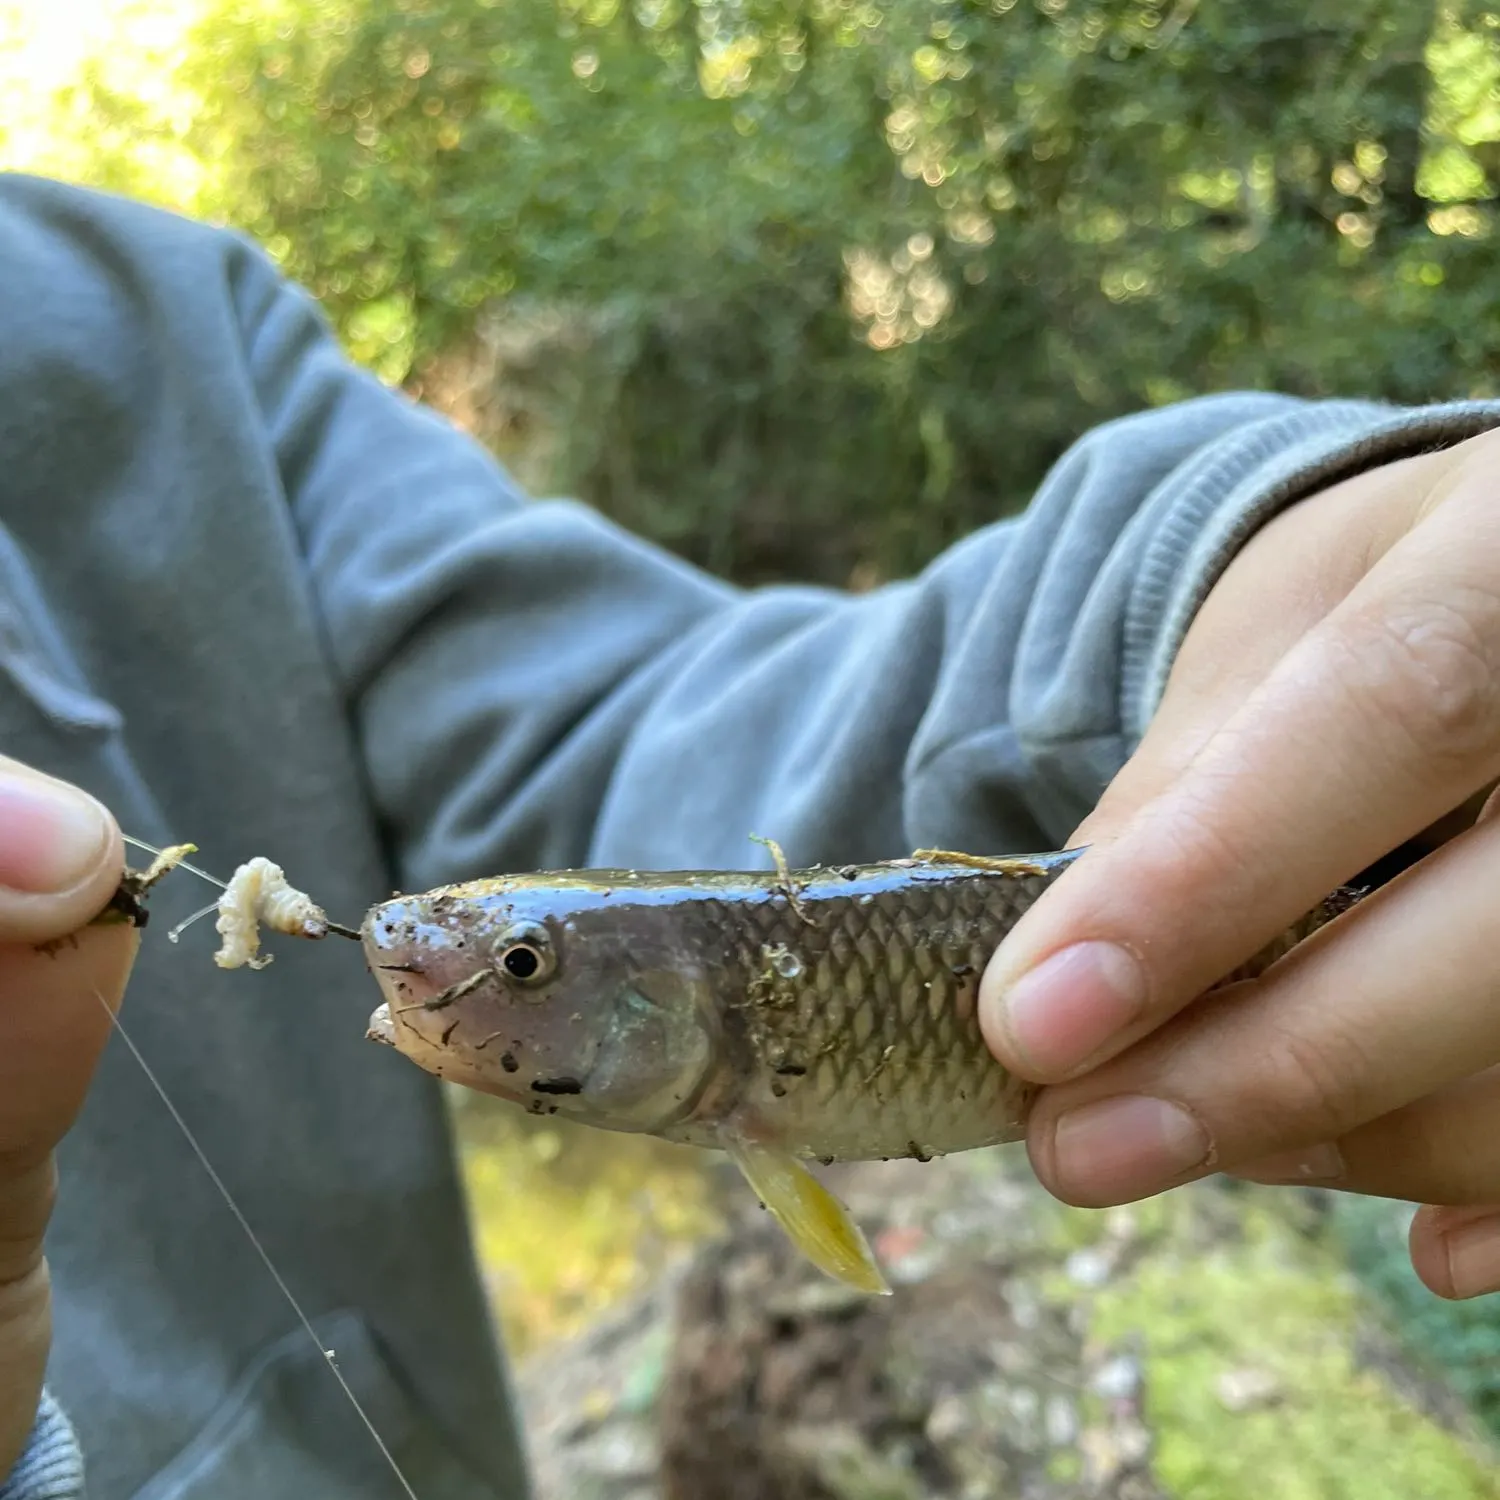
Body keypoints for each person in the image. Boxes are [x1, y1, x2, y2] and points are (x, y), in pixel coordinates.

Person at [1, 167, 1499, 1500]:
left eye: (521, 963)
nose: (429, 958)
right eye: (522, 965)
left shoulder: (148, 322)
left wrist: (1246, 578)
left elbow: (628, 720)